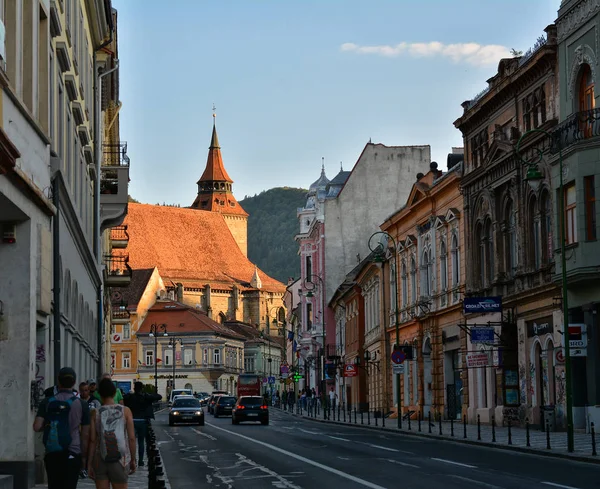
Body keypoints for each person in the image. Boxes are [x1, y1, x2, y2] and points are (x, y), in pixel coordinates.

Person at [33, 367, 90, 489]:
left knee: (54, 485)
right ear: (74, 382)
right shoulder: (82, 404)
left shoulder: (47, 402)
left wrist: (50, 424)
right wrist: (84, 457)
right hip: (73, 451)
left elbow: (36, 427)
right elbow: (85, 435)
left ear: (58, 381)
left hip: (52, 452)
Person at [88, 378, 136, 489]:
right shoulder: (126, 411)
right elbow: (132, 438)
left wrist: (89, 463)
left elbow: (93, 440)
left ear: (99, 394)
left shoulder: (95, 413)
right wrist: (133, 459)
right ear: (115, 393)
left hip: (100, 459)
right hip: (120, 460)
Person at [123, 382, 162, 467]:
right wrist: (148, 394)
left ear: (134, 388)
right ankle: (140, 461)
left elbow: (123, 398)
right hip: (142, 421)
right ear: (142, 388)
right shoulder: (145, 397)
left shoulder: (130, 397)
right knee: (141, 442)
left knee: (131, 440)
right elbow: (159, 396)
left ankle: (132, 459)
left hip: (132, 421)